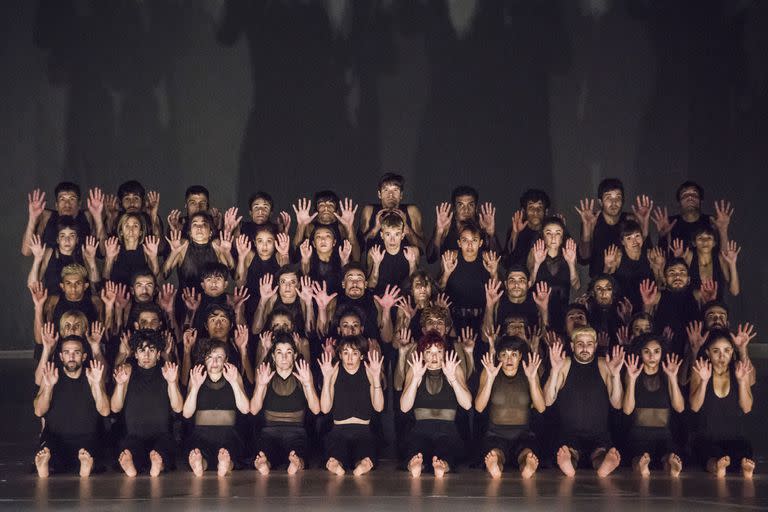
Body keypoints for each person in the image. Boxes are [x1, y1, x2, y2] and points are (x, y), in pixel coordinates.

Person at [544, 327, 624, 477]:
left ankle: (603, 467)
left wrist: (615, 375)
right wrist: (554, 371)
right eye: (580, 344)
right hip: (569, 434)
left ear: (595, 346)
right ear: (573, 346)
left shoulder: (604, 364)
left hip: (598, 434)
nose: (585, 348)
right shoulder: (565, 364)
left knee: (600, 455)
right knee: (570, 454)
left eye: (589, 344)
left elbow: (617, 404)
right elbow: (548, 401)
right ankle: (569, 466)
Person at [33, 336, 110, 477]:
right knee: (49, 450)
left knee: (92, 452)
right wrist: (49, 387)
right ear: (61, 356)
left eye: (77, 352)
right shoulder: (50, 375)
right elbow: (39, 411)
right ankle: (46, 467)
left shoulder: (92, 376)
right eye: (67, 352)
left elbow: (105, 411)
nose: (72, 356)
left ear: (84, 356)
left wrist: (98, 385)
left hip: (87, 439)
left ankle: (86, 467)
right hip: (57, 438)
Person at [111, 330, 183, 477]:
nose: (146, 355)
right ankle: (132, 467)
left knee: (163, 450)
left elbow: (178, 407)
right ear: (135, 354)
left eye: (151, 350)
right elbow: (115, 407)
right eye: (141, 350)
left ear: (158, 354)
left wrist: (171, 382)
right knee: (130, 450)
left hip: (161, 435)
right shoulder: (128, 370)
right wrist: (119, 385)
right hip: (134, 435)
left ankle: (158, 465)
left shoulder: (166, 371)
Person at [400, 331, 472, 478]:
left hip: (448, 429)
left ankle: (442, 466)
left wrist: (452, 379)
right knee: (416, 449)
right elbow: (404, 407)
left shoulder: (453, 368)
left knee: (446, 450)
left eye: (438, 351)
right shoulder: (416, 369)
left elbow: (467, 404)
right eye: (429, 352)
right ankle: (415, 465)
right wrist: (415, 379)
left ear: (444, 353)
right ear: (422, 354)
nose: (434, 357)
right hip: (420, 429)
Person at [690, 328, 756, 478]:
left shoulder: (739, 370)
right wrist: (704, 381)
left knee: (743, 451)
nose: (722, 356)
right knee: (708, 454)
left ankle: (742, 469)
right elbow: (695, 406)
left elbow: (747, 408)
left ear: (732, 351)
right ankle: (717, 467)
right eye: (716, 351)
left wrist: (741, 381)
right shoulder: (700, 370)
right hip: (707, 437)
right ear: (707, 352)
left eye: (727, 350)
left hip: (734, 437)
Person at [475, 336, 545, 479]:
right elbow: (479, 407)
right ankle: (495, 466)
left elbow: (541, 407)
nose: (509, 360)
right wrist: (490, 378)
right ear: (499, 357)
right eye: (504, 355)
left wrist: (532, 379)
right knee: (496, 453)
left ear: (520, 356)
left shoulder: (529, 373)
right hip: (495, 434)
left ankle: (527, 466)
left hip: (523, 434)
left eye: (513, 355)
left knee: (526, 453)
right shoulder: (489, 371)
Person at [250, 333, 320, 475]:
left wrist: (308, 384)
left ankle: (296, 463)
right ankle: (265, 464)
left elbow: (316, 409)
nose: (283, 357)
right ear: (274, 357)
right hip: (269, 432)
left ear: (295, 356)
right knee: (266, 452)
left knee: (298, 451)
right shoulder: (266, 374)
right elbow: (253, 410)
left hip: (296, 432)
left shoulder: (303, 374)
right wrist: (261, 385)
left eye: (288, 352)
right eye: (279, 352)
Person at [183, 340, 251, 477]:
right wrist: (195, 387)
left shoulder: (233, 374)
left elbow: (245, 409)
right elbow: (186, 413)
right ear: (204, 358)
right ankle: (200, 465)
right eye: (210, 357)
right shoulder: (197, 375)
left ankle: (225, 465)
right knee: (200, 454)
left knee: (230, 454)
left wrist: (234, 383)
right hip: (201, 433)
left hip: (228, 433)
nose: (214, 362)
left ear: (226, 359)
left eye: (219, 357)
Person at [319, 335, 384, 476]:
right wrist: (327, 379)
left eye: (354, 354)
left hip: (363, 430)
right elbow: (325, 408)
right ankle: (337, 465)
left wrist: (376, 378)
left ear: (361, 356)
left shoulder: (368, 370)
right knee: (335, 452)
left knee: (365, 452)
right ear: (340, 355)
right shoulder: (334, 370)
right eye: (346, 353)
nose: (349, 358)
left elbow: (379, 407)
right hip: (338, 430)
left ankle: (362, 465)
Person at [622, 334, 685, 477]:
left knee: (667, 456)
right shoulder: (632, 373)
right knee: (637, 458)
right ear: (640, 353)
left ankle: (671, 467)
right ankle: (642, 467)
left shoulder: (667, 374)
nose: (652, 356)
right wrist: (631, 380)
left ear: (662, 353)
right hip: (638, 433)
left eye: (656, 351)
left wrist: (673, 378)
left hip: (663, 434)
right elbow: (627, 410)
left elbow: (680, 408)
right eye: (647, 351)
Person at [575, 179, 652, 277]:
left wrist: (644, 225)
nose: (614, 202)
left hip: (628, 280)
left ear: (622, 200)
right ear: (600, 201)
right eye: (608, 198)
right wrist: (587, 231)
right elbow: (583, 259)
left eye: (618, 198)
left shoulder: (630, 220)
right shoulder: (592, 220)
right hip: (601, 283)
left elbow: (647, 253)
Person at [439, 221, 499, 332]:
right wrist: (446, 274)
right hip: (454, 318)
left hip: (481, 318)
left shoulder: (487, 258)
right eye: (465, 240)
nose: (470, 245)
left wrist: (494, 273)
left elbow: (496, 292)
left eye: (474, 240)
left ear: (480, 243)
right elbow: (439, 291)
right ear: (459, 243)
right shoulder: (451, 257)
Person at [22, 183, 105, 257]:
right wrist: (32, 218)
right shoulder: (46, 217)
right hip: (51, 272)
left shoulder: (88, 216)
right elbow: (26, 251)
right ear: (56, 205)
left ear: (79, 204)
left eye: (72, 199)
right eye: (62, 199)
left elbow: (103, 252)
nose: (67, 204)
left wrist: (98, 217)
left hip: (81, 272)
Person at [528, 217, 579, 332]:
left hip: (563, 310)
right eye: (548, 233)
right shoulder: (535, 252)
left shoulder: (568, 254)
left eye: (557, 233)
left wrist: (571, 263)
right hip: (538, 310)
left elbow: (576, 285)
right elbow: (528, 284)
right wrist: (536, 264)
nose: (553, 237)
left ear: (562, 237)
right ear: (543, 236)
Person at [163, 211, 234, 293]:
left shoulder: (216, 245)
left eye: (204, 224)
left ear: (210, 232)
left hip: (212, 300)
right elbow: (164, 274)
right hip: (185, 299)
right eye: (195, 224)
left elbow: (233, 275)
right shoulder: (183, 245)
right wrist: (173, 253)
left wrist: (227, 254)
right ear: (190, 233)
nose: (199, 227)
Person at [427, 185, 499, 263]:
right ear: (454, 209)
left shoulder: (483, 225)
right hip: (452, 272)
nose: (466, 210)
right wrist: (439, 232)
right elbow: (431, 259)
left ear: (475, 208)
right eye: (460, 205)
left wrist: (491, 234)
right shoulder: (446, 226)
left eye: (470, 205)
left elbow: (498, 259)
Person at [360, 172, 424, 252]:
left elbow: (423, 250)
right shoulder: (369, 211)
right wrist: (375, 229)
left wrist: (406, 228)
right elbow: (358, 251)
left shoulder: (411, 211)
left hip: (405, 262)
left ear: (401, 194)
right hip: (376, 263)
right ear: (379, 194)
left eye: (395, 190)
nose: (390, 194)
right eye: (386, 190)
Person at [675, 225, 741, 300]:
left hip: (715, 308)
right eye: (700, 238)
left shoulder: (720, 259)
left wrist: (732, 264)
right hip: (691, 307)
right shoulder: (689, 256)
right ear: (694, 243)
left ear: (714, 243)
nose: (705, 241)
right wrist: (679, 261)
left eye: (709, 238)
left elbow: (735, 291)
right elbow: (678, 290)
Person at [482, 265, 550, 337]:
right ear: (506, 284)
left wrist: (544, 308)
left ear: (529, 284)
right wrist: (489, 305)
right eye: (512, 280)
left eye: (521, 280)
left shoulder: (537, 300)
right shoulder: (497, 299)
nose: (516, 285)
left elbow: (545, 338)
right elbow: (485, 337)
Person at [292, 192, 360, 261]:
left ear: (336, 210)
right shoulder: (309, 228)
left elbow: (356, 258)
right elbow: (294, 254)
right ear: (316, 209)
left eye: (331, 205)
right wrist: (301, 225)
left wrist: (349, 227)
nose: (326, 208)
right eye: (321, 205)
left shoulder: (341, 228)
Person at [366, 212, 419, 295]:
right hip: (380, 297)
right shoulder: (374, 252)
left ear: (402, 236)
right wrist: (376, 264)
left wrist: (412, 264)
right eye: (388, 234)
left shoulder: (413, 252)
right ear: (382, 235)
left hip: (404, 298)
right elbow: (370, 286)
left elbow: (415, 286)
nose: (392, 240)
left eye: (397, 234)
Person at [102, 214, 161, 286]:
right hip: (116, 295)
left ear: (140, 232)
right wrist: (109, 259)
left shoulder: (147, 250)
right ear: (121, 232)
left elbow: (156, 282)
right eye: (127, 226)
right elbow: (105, 280)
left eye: (135, 226)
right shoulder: (114, 250)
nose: (131, 229)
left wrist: (154, 258)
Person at [505, 189, 550, 267]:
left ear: (546, 211)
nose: (535, 212)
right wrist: (515, 234)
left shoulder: (552, 232)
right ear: (524, 211)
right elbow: (507, 262)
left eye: (540, 207)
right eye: (531, 207)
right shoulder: (516, 230)